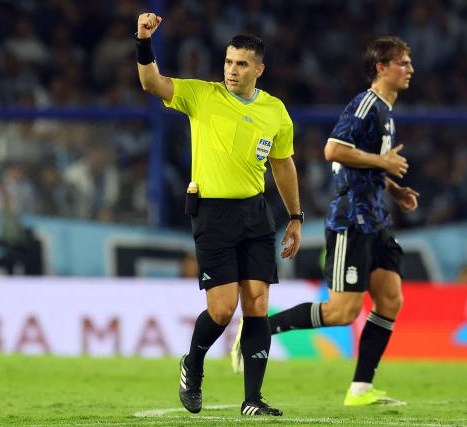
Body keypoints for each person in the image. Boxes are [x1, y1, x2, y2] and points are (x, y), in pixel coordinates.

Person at [231, 36, 418, 406]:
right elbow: (333, 149)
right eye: (403, 63)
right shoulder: (366, 105)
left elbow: (358, 161)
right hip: (351, 219)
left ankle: (361, 389)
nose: (410, 69)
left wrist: (394, 189)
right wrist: (383, 164)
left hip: (375, 218)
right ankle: (259, 327)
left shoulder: (386, 111)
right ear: (381, 67)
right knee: (342, 312)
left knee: (391, 299)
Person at [135, 12, 302, 417]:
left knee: (258, 303)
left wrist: (296, 217)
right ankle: (192, 362)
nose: (232, 70)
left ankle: (253, 399)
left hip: (255, 213)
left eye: (241, 64)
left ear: (258, 69)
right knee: (223, 310)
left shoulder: (275, 112)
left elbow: (282, 165)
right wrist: (143, 41)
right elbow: (151, 82)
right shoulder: (201, 95)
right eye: (228, 61)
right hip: (212, 213)